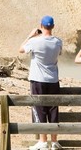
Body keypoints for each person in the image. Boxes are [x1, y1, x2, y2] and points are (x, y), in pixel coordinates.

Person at [19, 15, 63, 150]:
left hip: (38, 79)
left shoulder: (35, 41)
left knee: (39, 109)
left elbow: (21, 49)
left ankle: (43, 141)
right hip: (53, 80)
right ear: (53, 26)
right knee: (53, 109)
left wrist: (30, 35)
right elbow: (59, 53)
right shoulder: (58, 42)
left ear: (41, 26)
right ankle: (54, 141)